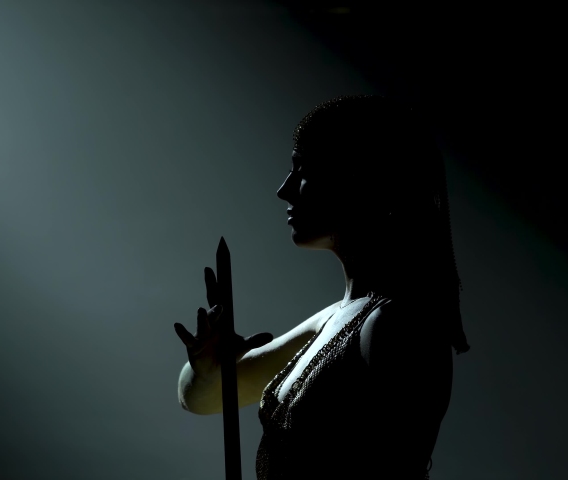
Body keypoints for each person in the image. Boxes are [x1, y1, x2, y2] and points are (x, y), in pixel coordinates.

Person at [174, 94, 470, 479]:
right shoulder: (333, 319)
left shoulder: (393, 325)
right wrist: (210, 367)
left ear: (359, 180)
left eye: (304, 170)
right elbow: (202, 399)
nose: (284, 189)